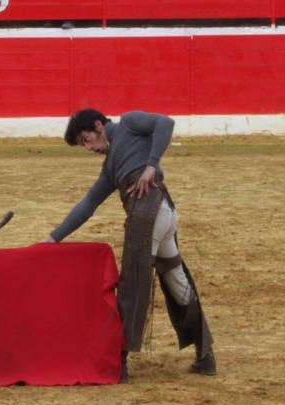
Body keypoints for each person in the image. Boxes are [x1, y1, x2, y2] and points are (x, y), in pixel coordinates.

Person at [43, 108, 216, 381]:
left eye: (86, 139)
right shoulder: (110, 166)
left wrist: (151, 165)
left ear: (99, 125)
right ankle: (206, 356)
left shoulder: (130, 123)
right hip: (163, 213)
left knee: (131, 286)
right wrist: (54, 237)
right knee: (176, 279)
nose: (88, 148)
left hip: (148, 215)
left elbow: (166, 122)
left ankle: (119, 363)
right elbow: (88, 203)